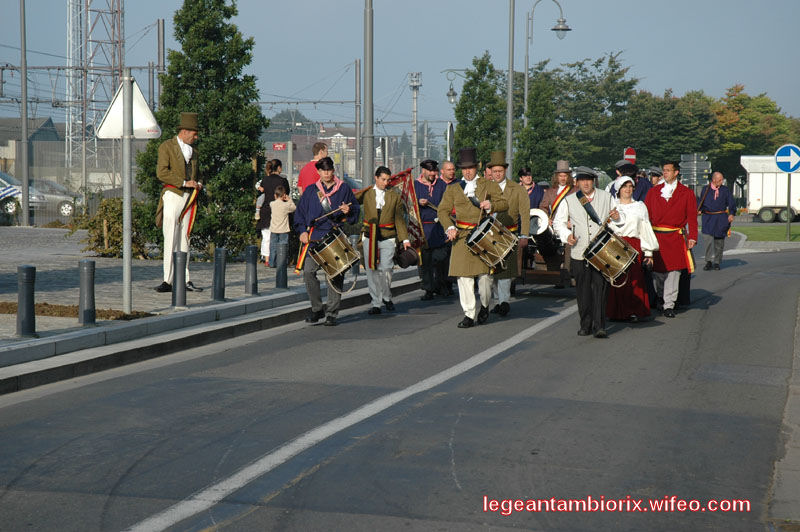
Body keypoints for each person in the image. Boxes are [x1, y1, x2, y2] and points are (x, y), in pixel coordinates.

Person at [437, 147, 508, 328]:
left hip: (483, 236)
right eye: (464, 168)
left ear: (477, 167)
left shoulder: (488, 185)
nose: (467, 172)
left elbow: (504, 203)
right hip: (461, 237)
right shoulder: (453, 188)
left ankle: (484, 305)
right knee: (463, 278)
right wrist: (449, 227)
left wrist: (491, 205)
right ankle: (469, 314)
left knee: (485, 278)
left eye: (470, 168)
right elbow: (442, 211)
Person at [553, 166, 620, 338]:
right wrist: (567, 235)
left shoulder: (607, 197)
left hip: (601, 252)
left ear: (594, 181)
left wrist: (617, 218)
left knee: (600, 288)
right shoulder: (569, 200)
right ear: (577, 182)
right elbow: (558, 223)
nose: (586, 183)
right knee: (583, 290)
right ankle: (585, 324)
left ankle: (600, 326)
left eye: (589, 180)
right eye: (582, 180)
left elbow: (617, 219)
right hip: (579, 252)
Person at [293, 156, 359, 326]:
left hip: (334, 236)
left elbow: (355, 210)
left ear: (333, 171)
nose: (327, 173)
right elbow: (300, 214)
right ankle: (317, 309)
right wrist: (302, 231)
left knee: (334, 275)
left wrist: (349, 210)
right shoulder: (310, 191)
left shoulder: (343, 189)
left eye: (329, 170)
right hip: (314, 238)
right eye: (323, 170)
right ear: (318, 172)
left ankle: (331, 313)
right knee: (308, 272)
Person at [154, 112, 203, 293]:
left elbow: (199, 174)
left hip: (189, 198)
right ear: (184, 131)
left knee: (185, 237)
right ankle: (167, 280)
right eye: (194, 134)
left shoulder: (195, 152)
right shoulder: (166, 147)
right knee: (171, 236)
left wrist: (199, 183)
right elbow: (162, 172)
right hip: (173, 194)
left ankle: (184, 279)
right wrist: (183, 182)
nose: (196, 137)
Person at [644, 160, 698, 318]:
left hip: (675, 237)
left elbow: (692, 218)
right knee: (659, 273)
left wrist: (692, 237)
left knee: (674, 272)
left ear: (676, 173)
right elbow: (645, 217)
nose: (665, 173)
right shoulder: (653, 192)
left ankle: (669, 304)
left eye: (668, 170)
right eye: (664, 170)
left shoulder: (686, 193)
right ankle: (661, 297)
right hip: (657, 238)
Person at [356, 166, 411, 315]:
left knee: (386, 268)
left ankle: (386, 297)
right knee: (371, 270)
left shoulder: (394, 196)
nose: (386, 183)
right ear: (376, 178)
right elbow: (351, 201)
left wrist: (405, 239)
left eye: (388, 180)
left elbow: (399, 220)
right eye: (383, 179)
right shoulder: (367, 193)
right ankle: (376, 303)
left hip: (388, 236)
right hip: (369, 236)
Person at [606, 175, 659, 321]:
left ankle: (634, 310)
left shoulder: (640, 206)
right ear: (619, 189)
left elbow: (645, 229)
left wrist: (648, 253)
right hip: (615, 244)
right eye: (625, 186)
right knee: (617, 279)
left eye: (630, 186)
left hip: (634, 245)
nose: (628, 189)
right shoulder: (612, 205)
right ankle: (617, 312)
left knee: (634, 279)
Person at [486, 151, 530, 316]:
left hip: (508, 234)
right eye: (494, 171)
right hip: (489, 235)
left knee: (505, 271)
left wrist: (524, 235)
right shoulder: (485, 189)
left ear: (505, 170)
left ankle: (504, 301)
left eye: (500, 171)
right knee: (492, 271)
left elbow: (525, 213)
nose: (497, 174)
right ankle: (497, 300)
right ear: (490, 172)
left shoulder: (517, 189)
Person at [414, 159, 450, 299]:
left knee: (440, 258)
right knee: (425, 261)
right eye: (430, 171)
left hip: (439, 227)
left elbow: (448, 203)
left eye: (434, 171)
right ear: (423, 170)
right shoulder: (415, 185)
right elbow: (408, 204)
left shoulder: (442, 185)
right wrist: (418, 202)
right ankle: (428, 289)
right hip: (423, 228)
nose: (433, 174)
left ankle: (442, 285)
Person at [539, 159, 575, 288]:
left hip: (568, 225)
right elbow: (543, 207)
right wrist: (546, 218)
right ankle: (554, 274)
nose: (563, 178)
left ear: (568, 177)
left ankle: (567, 274)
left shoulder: (575, 191)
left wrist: (573, 221)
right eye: (560, 175)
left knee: (570, 243)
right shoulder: (550, 191)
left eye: (565, 175)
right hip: (552, 226)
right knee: (546, 242)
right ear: (556, 177)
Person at [697, 171, 735, 271]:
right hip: (708, 218)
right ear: (714, 180)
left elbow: (731, 202)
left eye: (722, 180)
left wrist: (731, 213)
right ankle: (708, 261)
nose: (722, 181)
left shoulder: (725, 190)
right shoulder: (706, 189)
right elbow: (701, 201)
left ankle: (717, 262)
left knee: (719, 242)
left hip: (721, 218)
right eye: (720, 180)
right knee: (708, 241)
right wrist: (699, 210)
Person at [256, 159, 290, 267]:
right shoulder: (283, 181)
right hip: (279, 211)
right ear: (279, 168)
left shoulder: (265, 180)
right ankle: (279, 259)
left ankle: (267, 259)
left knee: (266, 237)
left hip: (265, 210)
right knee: (279, 237)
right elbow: (287, 194)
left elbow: (260, 193)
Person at [269, 184, 296, 288]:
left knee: (273, 246)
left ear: (275, 195)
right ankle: (282, 262)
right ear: (283, 195)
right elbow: (294, 208)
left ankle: (272, 262)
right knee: (283, 246)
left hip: (274, 229)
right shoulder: (285, 206)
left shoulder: (272, 204)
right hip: (283, 229)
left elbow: (273, 202)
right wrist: (289, 200)